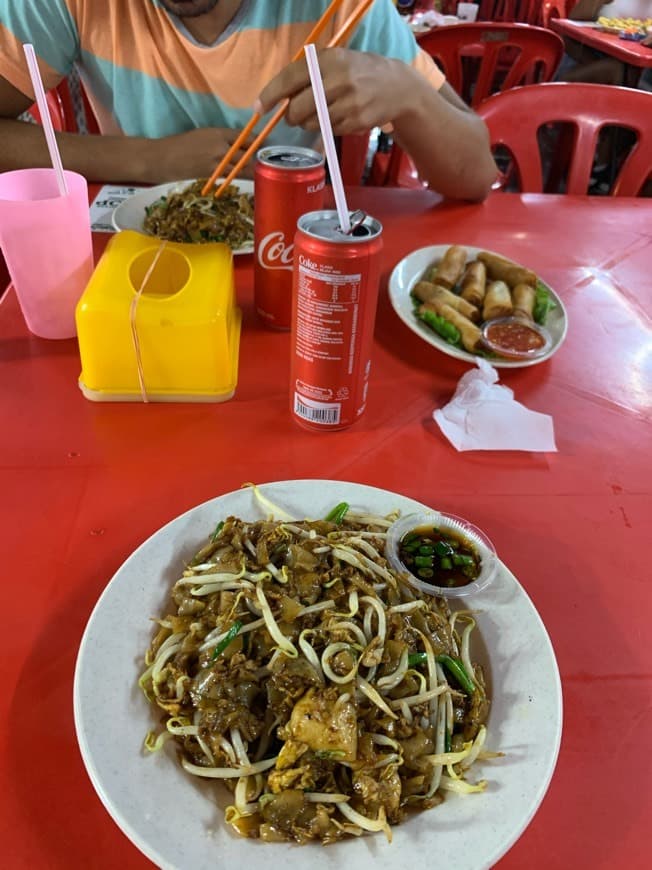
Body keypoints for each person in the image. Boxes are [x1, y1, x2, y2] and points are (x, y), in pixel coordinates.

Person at [0, 0, 497, 201]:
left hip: (292, 259)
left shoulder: (342, 6)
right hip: (134, 257)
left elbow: (476, 177)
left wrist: (407, 94)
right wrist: (149, 158)